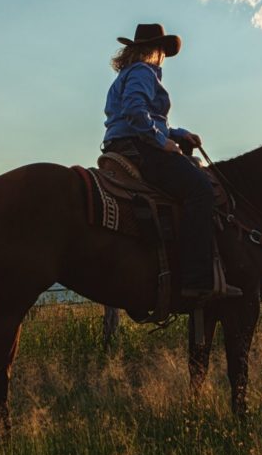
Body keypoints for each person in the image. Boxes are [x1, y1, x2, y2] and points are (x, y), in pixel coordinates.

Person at [102, 23, 242, 301]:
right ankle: (197, 280)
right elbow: (135, 111)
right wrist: (160, 141)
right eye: (162, 50)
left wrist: (178, 134)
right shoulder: (143, 71)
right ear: (155, 50)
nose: (162, 56)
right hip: (139, 147)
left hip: (125, 143)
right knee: (200, 189)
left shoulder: (131, 73)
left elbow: (146, 117)